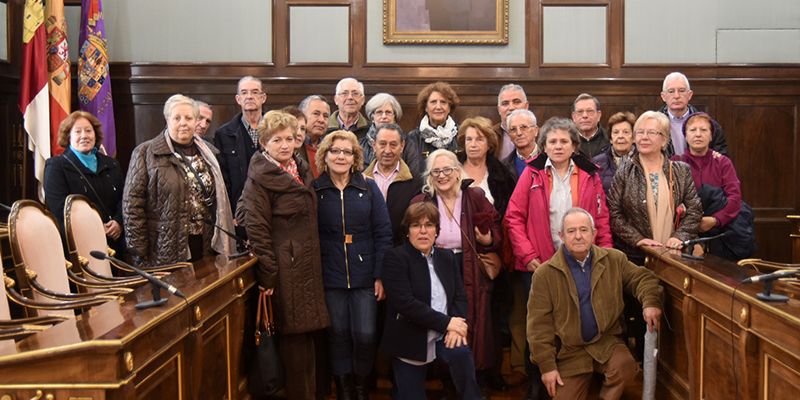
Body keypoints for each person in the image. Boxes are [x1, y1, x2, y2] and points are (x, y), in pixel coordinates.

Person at [504, 117, 612, 399]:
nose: (558, 146)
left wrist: (607, 256)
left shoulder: (590, 174)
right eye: (552, 141)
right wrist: (527, 256)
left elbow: (600, 218)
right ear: (544, 146)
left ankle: (574, 382)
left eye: (564, 141)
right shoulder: (532, 173)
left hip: (581, 261)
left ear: (574, 145)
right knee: (539, 326)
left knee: (576, 323)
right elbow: (513, 217)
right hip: (540, 264)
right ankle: (536, 385)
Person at [236, 110, 330, 400]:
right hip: (284, 269)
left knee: (306, 338)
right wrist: (269, 275)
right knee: (294, 341)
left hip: (306, 265)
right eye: (277, 140)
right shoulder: (260, 177)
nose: (286, 145)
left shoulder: (298, 167)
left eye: (290, 138)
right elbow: (258, 230)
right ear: (264, 143)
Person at [528, 208, 663, 400]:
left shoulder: (614, 259)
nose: (578, 236)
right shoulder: (544, 275)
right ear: (561, 236)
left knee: (625, 367)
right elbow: (538, 327)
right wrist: (547, 367)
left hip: (606, 342)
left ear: (594, 234)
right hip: (570, 351)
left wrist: (650, 302)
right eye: (571, 231)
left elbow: (643, 278)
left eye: (584, 230)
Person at [313, 130, 393, 399]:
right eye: (335, 151)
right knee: (338, 335)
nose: (341, 156)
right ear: (325, 155)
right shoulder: (315, 190)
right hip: (329, 273)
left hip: (365, 273)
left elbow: (383, 232)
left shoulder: (368, 188)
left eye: (347, 152)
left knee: (366, 334)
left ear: (355, 157)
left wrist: (380, 275)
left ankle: (361, 386)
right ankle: (344, 389)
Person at [410, 149, 502, 377]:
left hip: (468, 265)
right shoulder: (422, 201)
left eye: (447, 170)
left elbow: (497, 227)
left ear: (457, 171)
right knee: (440, 318)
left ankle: (473, 375)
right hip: (435, 267)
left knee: (472, 318)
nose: (442, 175)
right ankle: (444, 378)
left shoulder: (475, 196)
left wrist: (488, 238)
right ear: (429, 176)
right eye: (436, 171)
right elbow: (410, 235)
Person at [380, 202, 482, 400]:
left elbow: (460, 296)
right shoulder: (395, 258)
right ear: (407, 231)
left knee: (462, 355)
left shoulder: (447, 257)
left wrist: (456, 323)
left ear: (437, 231)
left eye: (429, 225)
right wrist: (447, 322)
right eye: (416, 225)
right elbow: (406, 304)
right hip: (409, 336)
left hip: (445, 333)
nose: (423, 231)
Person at [123, 94, 235, 266]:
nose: (183, 122)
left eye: (189, 118)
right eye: (177, 118)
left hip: (204, 243)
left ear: (195, 121)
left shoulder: (209, 154)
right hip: (163, 246)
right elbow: (132, 206)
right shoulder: (145, 153)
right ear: (167, 119)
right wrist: (138, 251)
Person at [607, 111, 703, 263]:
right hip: (636, 257)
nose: (644, 137)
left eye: (651, 132)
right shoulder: (624, 171)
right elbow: (614, 213)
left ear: (664, 139)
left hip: (675, 256)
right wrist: (638, 240)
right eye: (640, 132)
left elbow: (694, 211)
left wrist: (679, 237)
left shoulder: (681, 171)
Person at [672, 112, 754, 260]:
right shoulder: (675, 162)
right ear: (685, 135)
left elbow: (735, 198)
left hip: (722, 232)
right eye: (693, 130)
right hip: (686, 232)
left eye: (703, 130)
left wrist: (715, 220)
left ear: (711, 136)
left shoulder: (723, 162)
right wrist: (693, 230)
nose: (698, 134)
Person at [44, 110, 125, 255]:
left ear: (95, 134)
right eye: (78, 131)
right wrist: (96, 228)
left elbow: (124, 199)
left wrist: (118, 222)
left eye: (88, 131)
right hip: (79, 247)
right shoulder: (56, 166)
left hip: (113, 243)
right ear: (68, 136)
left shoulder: (111, 164)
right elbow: (60, 209)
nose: (84, 136)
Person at [363, 123, 423, 246]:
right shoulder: (361, 180)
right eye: (382, 144)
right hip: (368, 250)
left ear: (402, 146)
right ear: (374, 146)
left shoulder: (415, 183)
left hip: (402, 251)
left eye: (393, 145)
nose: (387, 150)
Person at [457, 116, 517, 217]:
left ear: (489, 144)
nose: (473, 144)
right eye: (469, 139)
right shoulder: (451, 167)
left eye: (479, 139)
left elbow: (507, 214)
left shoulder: (502, 174)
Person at [659, 72, 728, 157]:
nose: (676, 96)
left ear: (689, 95)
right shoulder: (654, 124)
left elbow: (720, 158)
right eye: (671, 91)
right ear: (663, 96)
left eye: (681, 91)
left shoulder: (710, 125)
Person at [359, 92, 422, 176]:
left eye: (388, 112)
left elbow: (414, 173)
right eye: (379, 112)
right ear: (372, 117)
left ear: (394, 117)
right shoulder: (361, 144)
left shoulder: (408, 143)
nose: (384, 116)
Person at [407, 82, 460, 165]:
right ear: (426, 108)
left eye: (443, 102)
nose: (438, 107)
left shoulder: (461, 135)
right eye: (433, 102)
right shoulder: (413, 138)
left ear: (449, 108)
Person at [592, 111, 636, 195]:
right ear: (611, 139)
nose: (620, 136)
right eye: (616, 132)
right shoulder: (597, 163)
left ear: (633, 138)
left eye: (625, 132)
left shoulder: (643, 161)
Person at [494, 84, 531, 160]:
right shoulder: (490, 135)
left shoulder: (540, 135)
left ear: (526, 106)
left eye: (516, 102)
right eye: (505, 103)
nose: (511, 107)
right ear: (499, 109)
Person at [501, 108, 540, 180]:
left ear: (536, 131)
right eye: (513, 129)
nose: (519, 133)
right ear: (509, 135)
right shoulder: (502, 167)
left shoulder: (550, 159)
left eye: (524, 127)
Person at [298, 95, 331, 178]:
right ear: (302, 116)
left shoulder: (331, 147)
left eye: (326, 116)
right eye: (316, 114)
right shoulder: (291, 147)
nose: (321, 120)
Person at [571, 93, 608, 159]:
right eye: (580, 112)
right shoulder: (567, 141)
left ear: (599, 115)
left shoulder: (610, 139)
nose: (585, 115)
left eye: (590, 111)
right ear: (574, 117)